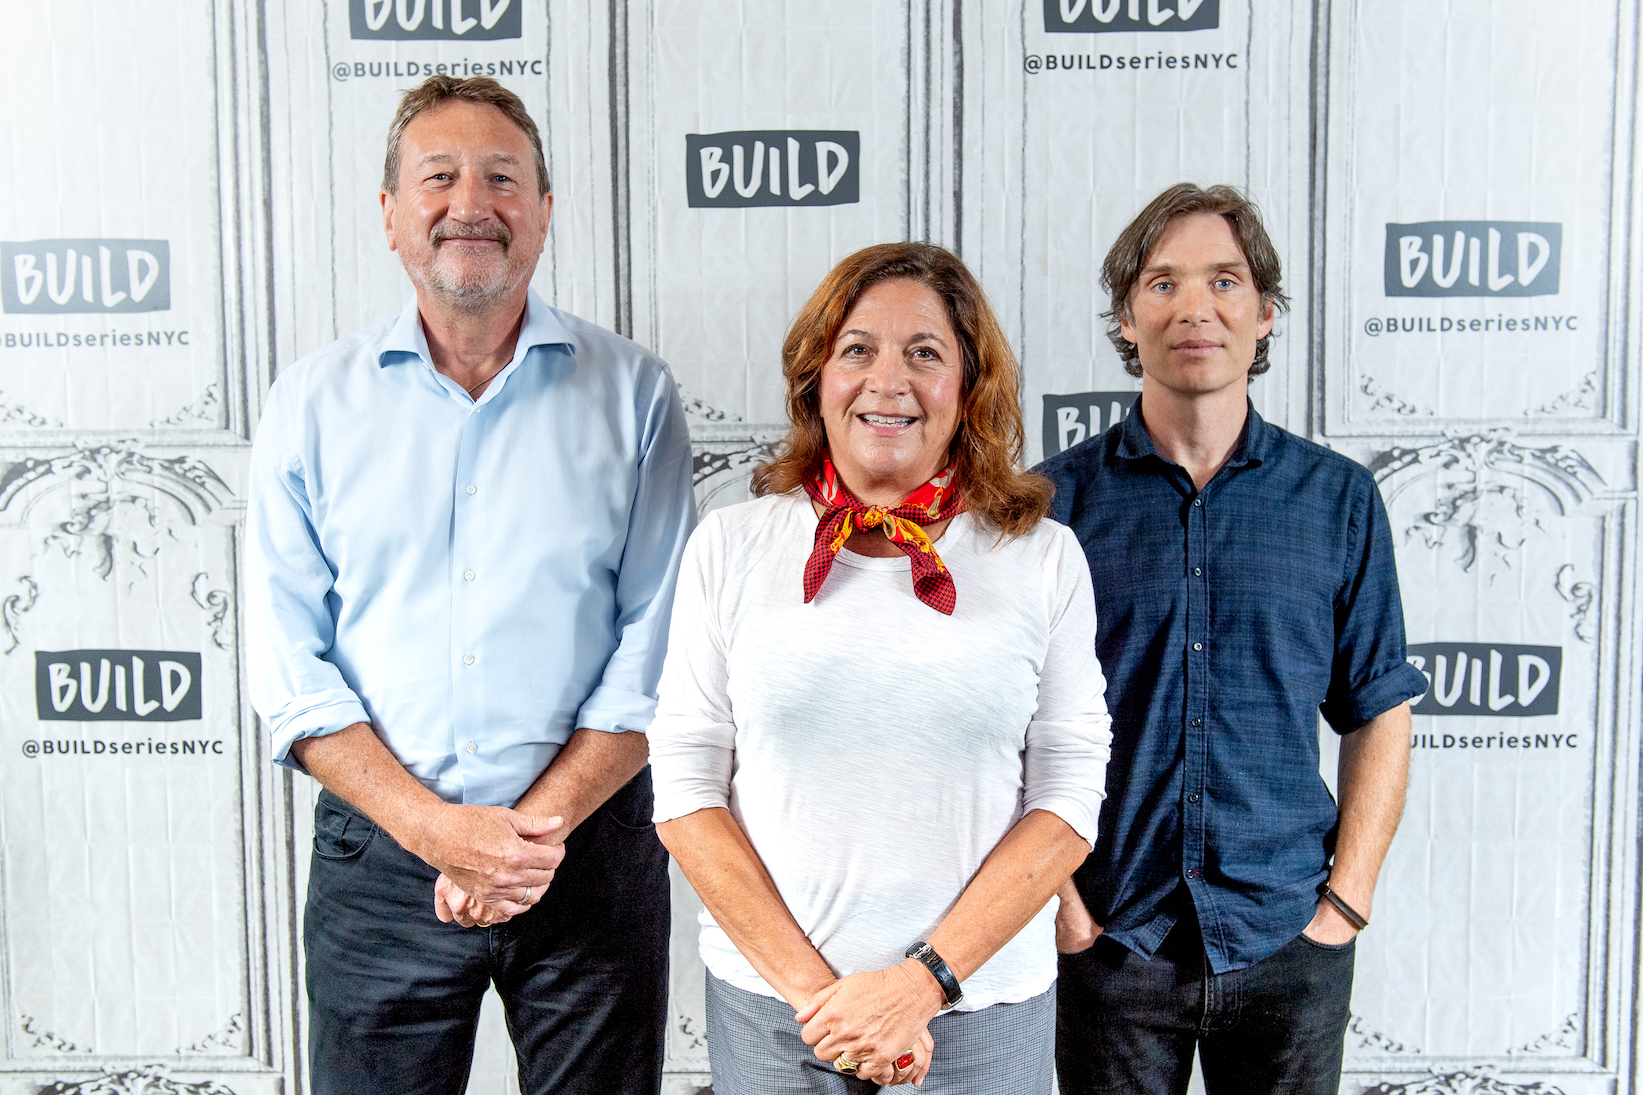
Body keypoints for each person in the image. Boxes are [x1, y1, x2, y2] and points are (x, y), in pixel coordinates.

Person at [244, 76, 695, 1095]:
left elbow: (656, 645)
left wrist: (529, 836)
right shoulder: (308, 405)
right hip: (380, 859)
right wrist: (436, 830)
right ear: (389, 212)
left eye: (501, 178)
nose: (469, 204)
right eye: (438, 177)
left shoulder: (634, 392)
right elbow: (288, 665)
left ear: (543, 209)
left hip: (588, 851)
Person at [647, 242, 1113, 1094]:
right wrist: (830, 1006)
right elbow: (684, 792)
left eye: (924, 353)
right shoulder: (730, 546)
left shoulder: (1043, 558)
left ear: (968, 387)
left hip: (981, 1010)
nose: (886, 380)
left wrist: (918, 985)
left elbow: (1067, 797)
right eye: (856, 349)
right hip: (777, 1015)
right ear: (815, 378)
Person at [1037, 183, 1429, 1094]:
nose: (1195, 307)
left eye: (1224, 281)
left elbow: (1378, 706)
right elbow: (1006, 723)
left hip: (1288, 937)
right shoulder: (1050, 508)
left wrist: (1345, 902)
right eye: (1162, 282)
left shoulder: (1336, 499)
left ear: (1264, 313)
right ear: (1126, 318)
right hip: (1109, 940)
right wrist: (1063, 909)